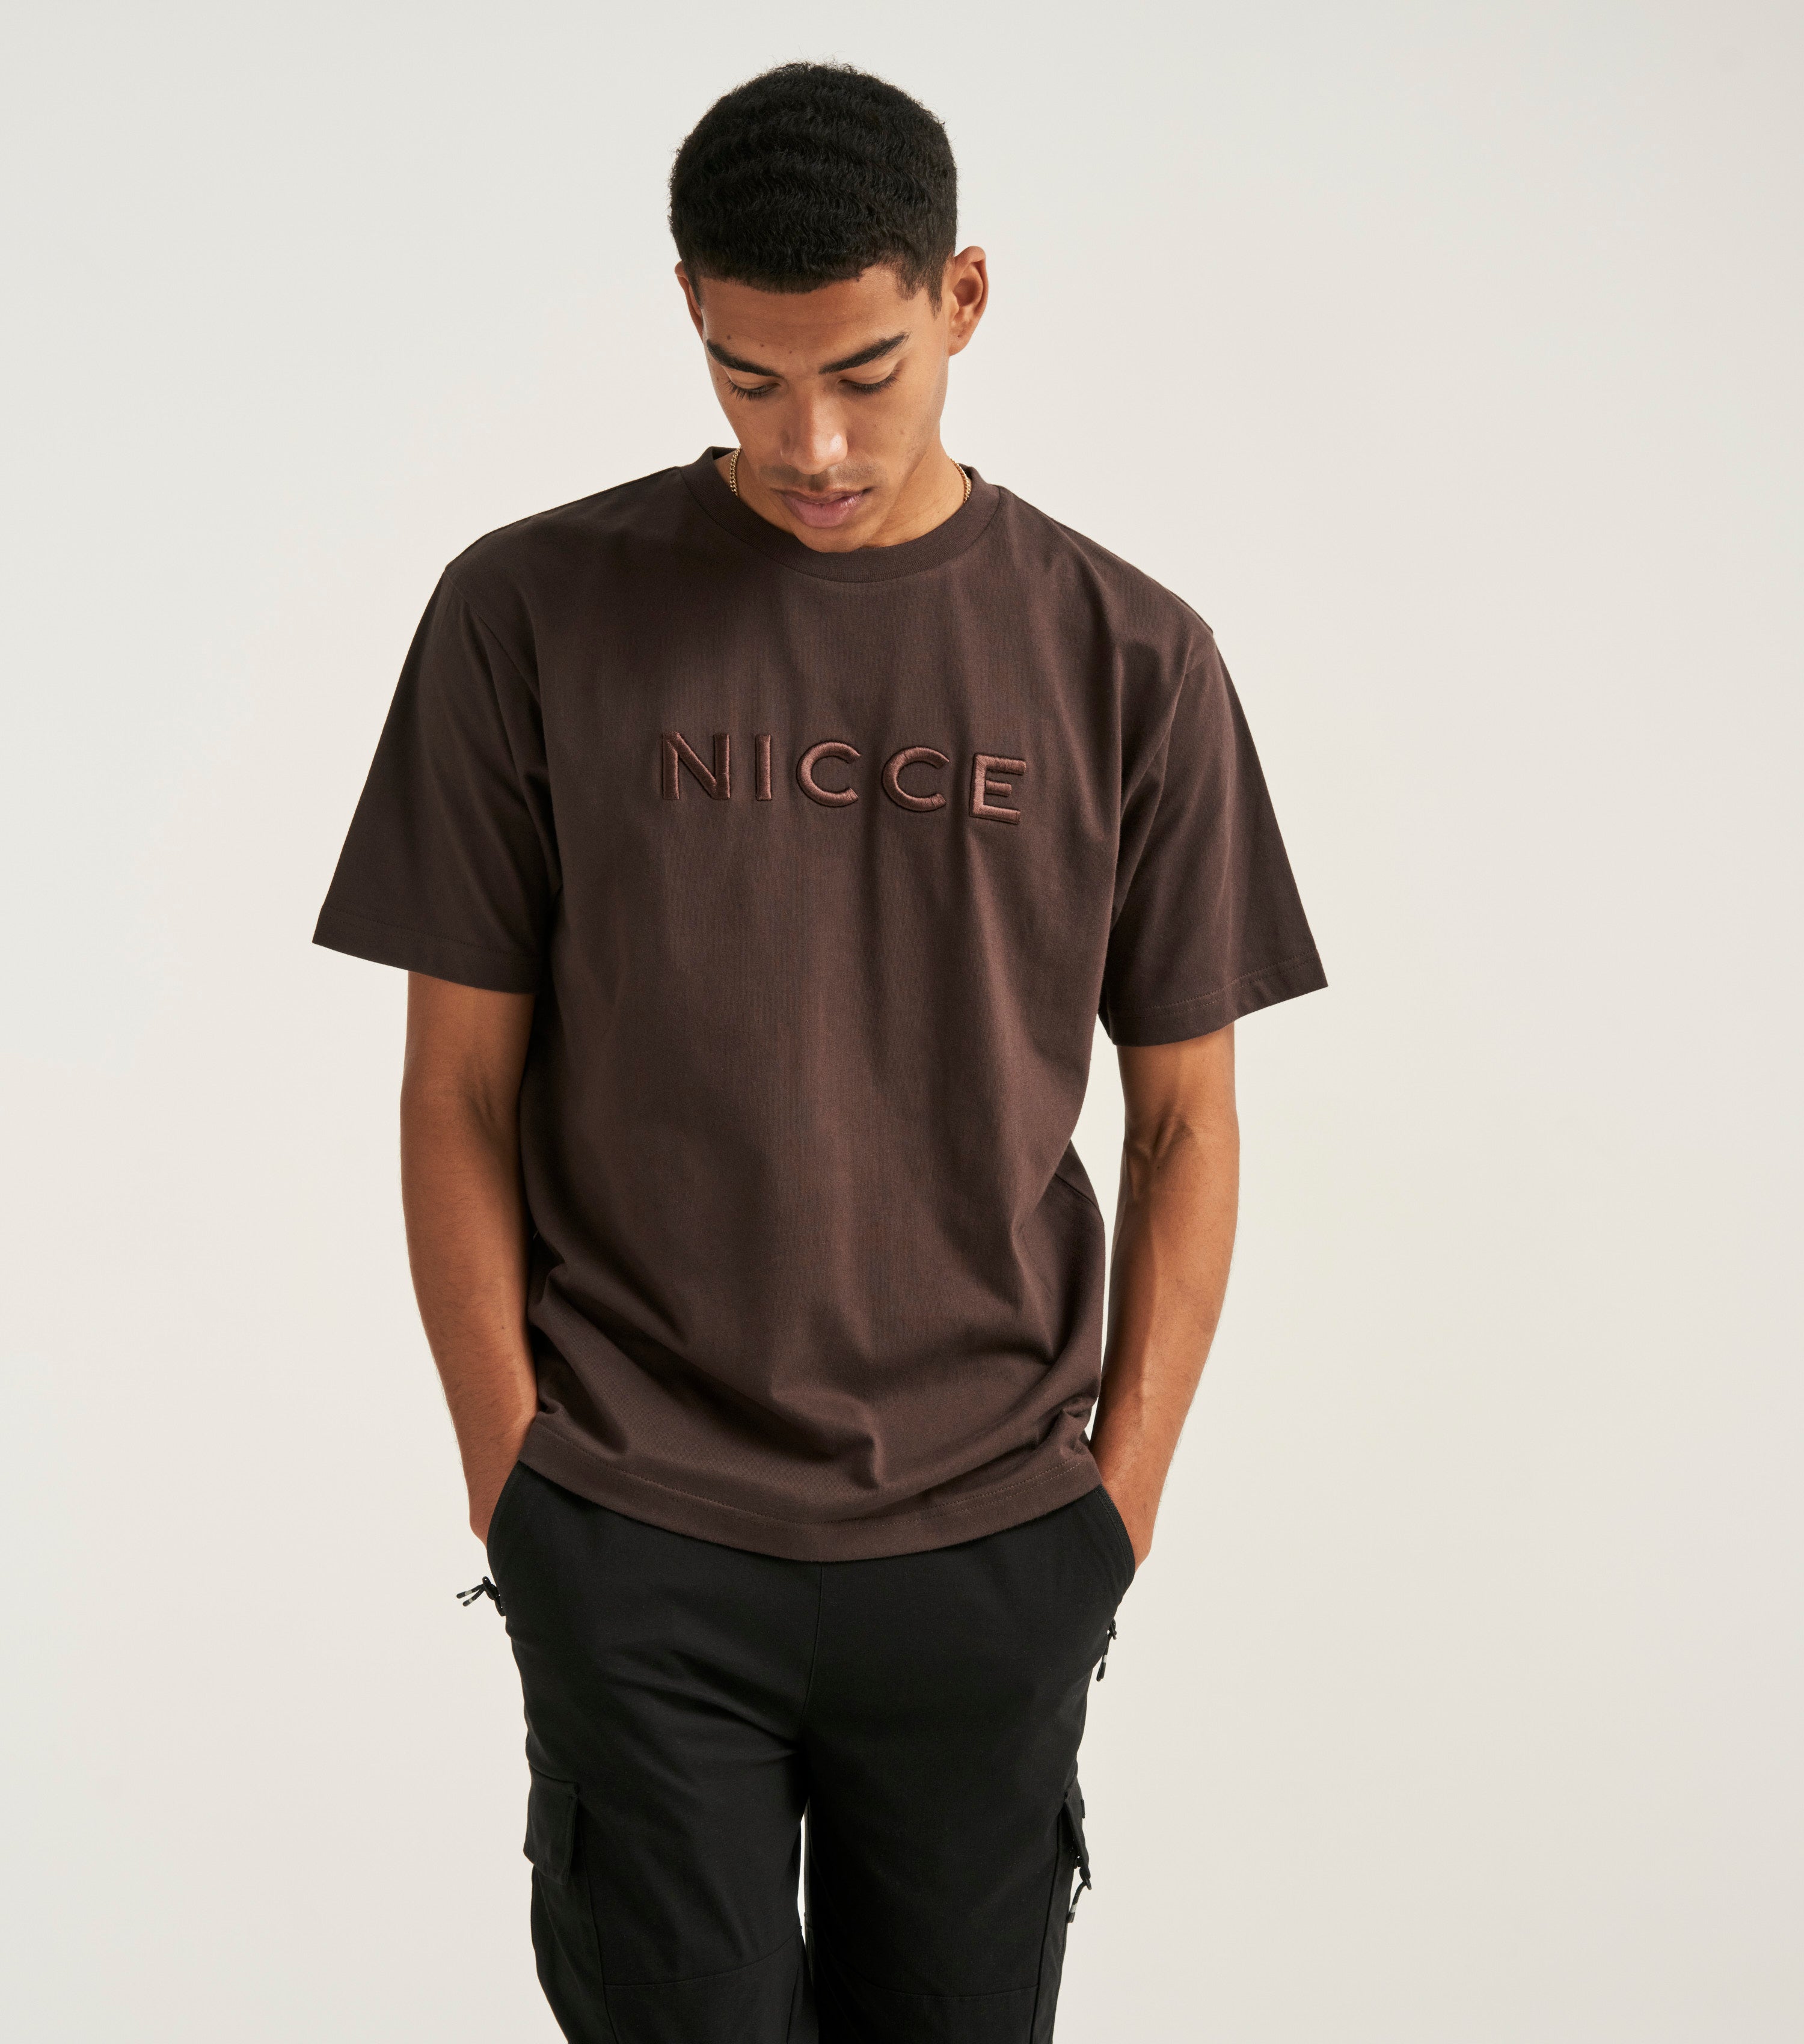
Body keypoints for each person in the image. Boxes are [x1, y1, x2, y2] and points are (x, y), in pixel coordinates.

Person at [314, 59, 1324, 2044]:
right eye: (751, 380)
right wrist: (514, 1481)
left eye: (866, 371)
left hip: (992, 1545)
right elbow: (455, 1090)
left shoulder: (1132, 656)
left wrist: (1111, 1514)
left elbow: (1190, 1123)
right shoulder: (528, 614)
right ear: (690, 313)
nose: (817, 443)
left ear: (964, 297)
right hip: (634, 1531)